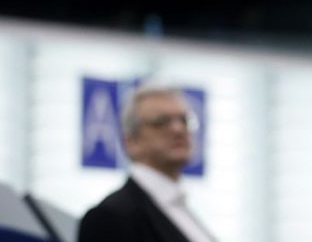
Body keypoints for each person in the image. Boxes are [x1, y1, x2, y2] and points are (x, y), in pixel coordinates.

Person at [79, 84, 216, 242]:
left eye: (184, 120)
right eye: (161, 121)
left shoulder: (180, 207)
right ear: (131, 142)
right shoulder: (109, 217)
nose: (178, 129)